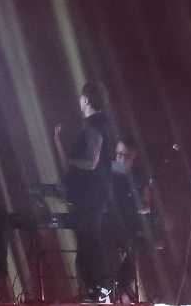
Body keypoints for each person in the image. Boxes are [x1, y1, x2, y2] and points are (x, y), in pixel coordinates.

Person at [54, 82, 117, 303]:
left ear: (87, 99)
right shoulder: (103, 124)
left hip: (90, 195)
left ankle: (101, 287)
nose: (79, 101)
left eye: (82, 97)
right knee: (86, 242)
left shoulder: (94, 125)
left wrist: (68, 160)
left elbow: (92, 161)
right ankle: (94, 290)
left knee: (89, 242)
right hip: (94, 194)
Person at [110, 138, 153, 302]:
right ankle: (109, 286)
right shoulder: (109, 171)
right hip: (108, 224)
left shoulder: (140, 175)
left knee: (142, 244)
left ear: (133, 156)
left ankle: (119, 285)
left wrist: (144, 205)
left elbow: (147, 200)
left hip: (129, 225)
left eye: (124, 155)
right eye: (118, 154)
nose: (119, 157)